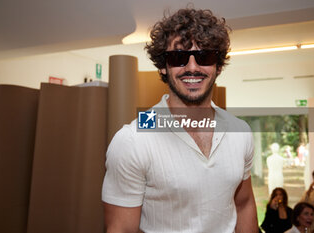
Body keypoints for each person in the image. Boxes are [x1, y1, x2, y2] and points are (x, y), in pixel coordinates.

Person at [101, 7, 258, 233]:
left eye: (204, 56)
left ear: (218, 66)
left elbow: (243, 204)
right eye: (178, 58)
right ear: (164, 67)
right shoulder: (132, 141)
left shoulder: (239, 131)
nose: (192, 67)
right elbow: (121, 229)